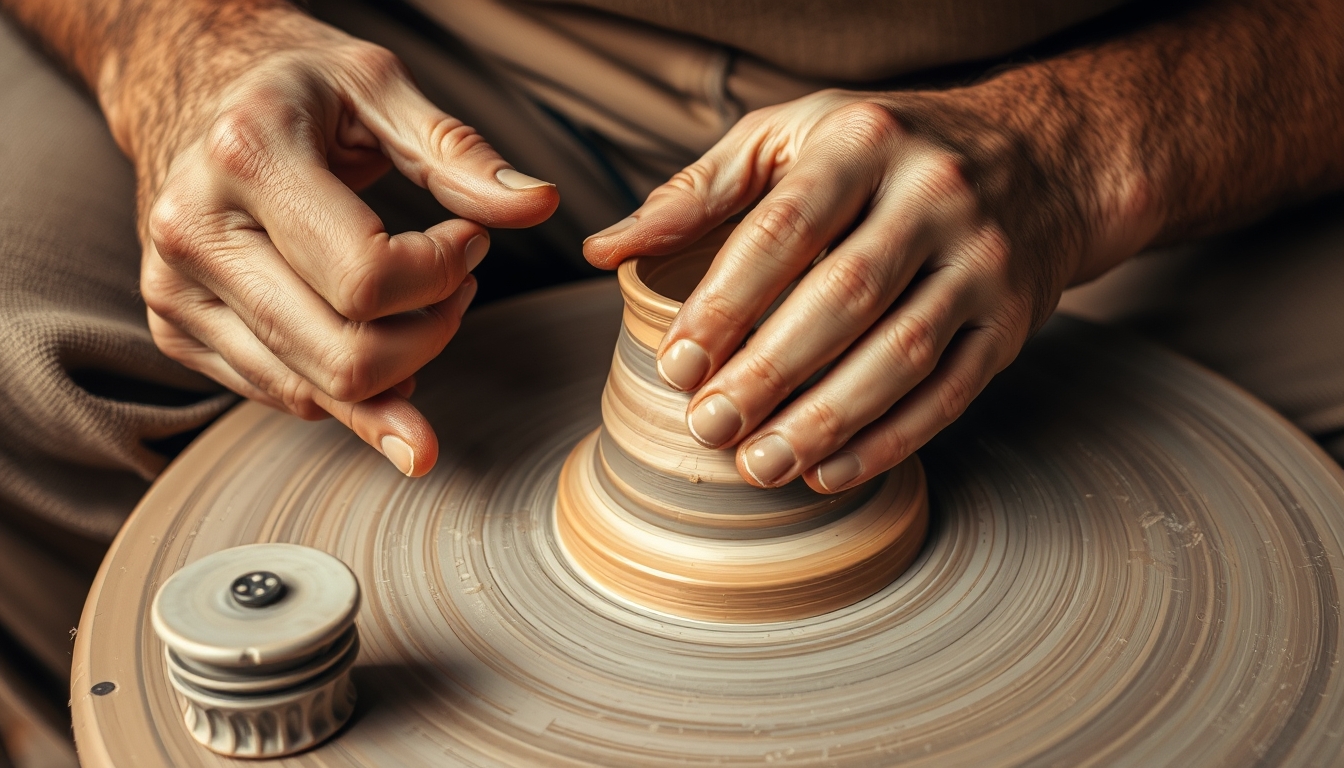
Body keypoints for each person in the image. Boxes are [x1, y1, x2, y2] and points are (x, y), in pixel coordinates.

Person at [0, 0, 1340, 760]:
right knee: (21, 341)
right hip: (440, 56)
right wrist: (170, 45)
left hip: (1133, 72)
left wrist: (1090, 147)